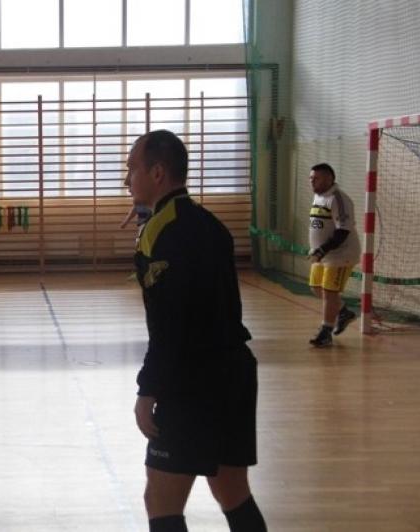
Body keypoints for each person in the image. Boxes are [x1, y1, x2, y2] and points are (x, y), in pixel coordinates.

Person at [127, 130, 266, 532]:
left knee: (160, 499)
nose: (127, 179)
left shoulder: (161, 232)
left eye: (132, 169)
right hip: (235, 373)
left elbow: (170, 323)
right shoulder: (210, 224)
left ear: (157, 173)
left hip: (194, 381)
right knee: (232, 491)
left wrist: (148, 389)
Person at [307, 163, 360, 347]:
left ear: (329, 179)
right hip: (322, 255)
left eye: (316, 178)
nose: (312, 181)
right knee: (316, 287)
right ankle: (344, 312)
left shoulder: (338, 199)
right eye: (311, 178)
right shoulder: (318, 196)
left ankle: (325, 332)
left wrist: (322, 249)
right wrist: (317, 249)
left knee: (330, 292)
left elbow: (342, 231)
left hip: (340, 254)